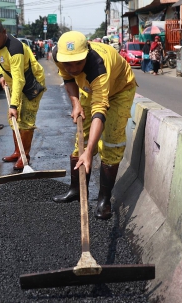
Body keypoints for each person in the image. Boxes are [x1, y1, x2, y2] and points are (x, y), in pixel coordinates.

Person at [51, 31, 137, 220]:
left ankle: (104, 200)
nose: (73, 67)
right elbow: (68, 79)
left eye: (78, 63)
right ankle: (77, 190)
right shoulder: (59, 55)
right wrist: (76, 104)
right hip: (90, 89)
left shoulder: (98, 67)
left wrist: (90, 152)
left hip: (119, 91)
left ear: (87, 54)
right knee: (80, 141)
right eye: (68, 63)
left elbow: (100, 110)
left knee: (112, 143)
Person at [0, 20, 46, 170]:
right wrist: (1, 76)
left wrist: (14, 105)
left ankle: (25, 156)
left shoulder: (15, 49)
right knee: (13, 120)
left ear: (4, 33)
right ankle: (18, 152)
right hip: (14, 84)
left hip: (31, 85)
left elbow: (20, 79)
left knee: (25, 121)